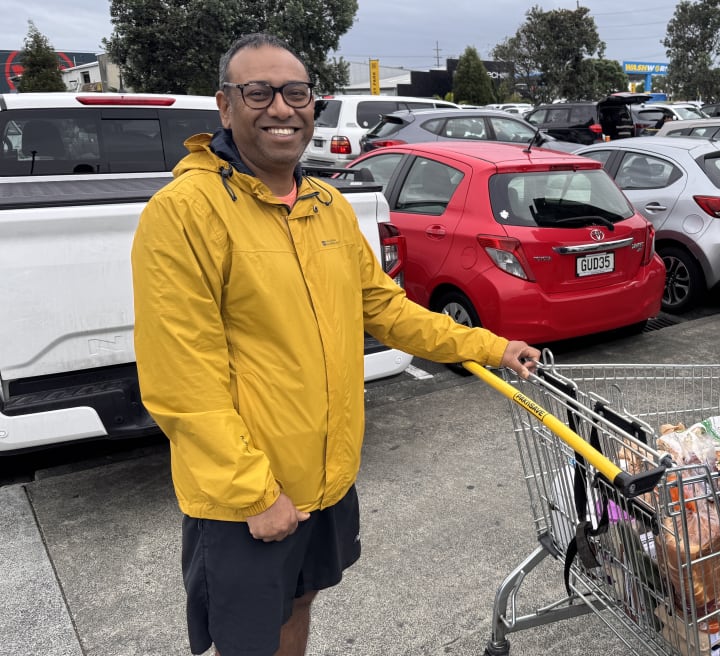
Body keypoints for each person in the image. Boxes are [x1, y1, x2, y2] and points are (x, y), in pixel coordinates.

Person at [130, 33, 539, 656]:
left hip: (325, 479)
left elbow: (383, 307)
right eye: (258, 92)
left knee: (299, 603)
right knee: (243, 638)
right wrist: (254, 493)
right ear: (224, 106)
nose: (281, 109)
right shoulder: (184, 214)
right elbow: (181, 381)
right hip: (248, 495)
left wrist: (486, 346)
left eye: (296, 93)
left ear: (313, 105)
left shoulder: (327, 206)